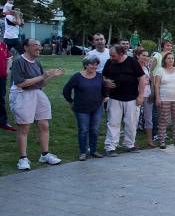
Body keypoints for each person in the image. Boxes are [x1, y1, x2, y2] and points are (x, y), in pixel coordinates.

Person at [9, 39, 63, 170]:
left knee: (44, 124)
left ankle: (45, 154)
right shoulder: (18, 61)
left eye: (39, 46)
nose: (39, 48)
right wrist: (42, 76)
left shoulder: (36, 62)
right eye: (35, 45)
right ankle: (23, 159)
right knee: (24, 128)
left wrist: (51, 76)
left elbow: (40, 83)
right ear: (26, 47)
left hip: (37, 93)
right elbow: (20, 83)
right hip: (22, 94)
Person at [102, 44, 146, 156]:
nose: (111, 58)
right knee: (113, 122)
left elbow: (141, 78)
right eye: (110, 55)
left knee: (131, 123)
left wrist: (141, 95)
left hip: (131, 98)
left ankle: (129, 144)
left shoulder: (132, 62)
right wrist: (106, 82)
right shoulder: (109, 63)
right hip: (114, 98)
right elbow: (104, 76)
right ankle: (110, 147)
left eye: (113, 55)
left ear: (121, 54)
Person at [62, 56, 106, 160]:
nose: (94, 66)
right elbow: (66, 90)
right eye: (92, 64)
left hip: (97, 107)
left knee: (94, 130)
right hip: (81, 108)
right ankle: (83, 152)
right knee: (84, 130)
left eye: (96, 64)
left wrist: (104, 97)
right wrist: (71, 101)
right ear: (86, 65)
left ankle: (93, 150)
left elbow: (104, 88)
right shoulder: (77, 77)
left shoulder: (99, 76)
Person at [154, 51, 175, 148]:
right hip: (164, 99)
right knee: (163, 120)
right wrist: (157, 97)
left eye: (172, 58)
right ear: (165, 60)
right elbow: (156, 85)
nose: (171, 60)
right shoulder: (160, 70)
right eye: (168, 58)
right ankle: (162, 141)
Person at [134, 47, 156, 147]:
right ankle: (132, 141)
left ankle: (149, 140)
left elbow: (150, 80)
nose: (146, 57)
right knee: (134, 118)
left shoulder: (147, 67)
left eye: (147, 55)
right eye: (143, 55)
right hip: (136, 95)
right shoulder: (133, 66)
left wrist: (152, 92)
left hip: (147, 94)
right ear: (137, 55)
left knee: (148, 118)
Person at [0, 38, 14, 130]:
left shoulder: (3, 45)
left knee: (1, 98)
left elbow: (9, 58)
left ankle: (2, 122)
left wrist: (7, 70)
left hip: (1, 77)